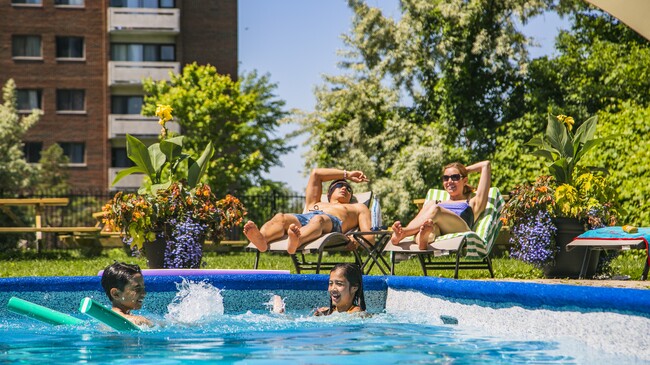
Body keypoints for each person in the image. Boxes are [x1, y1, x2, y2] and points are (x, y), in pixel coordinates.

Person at [243, 168, 373, 254]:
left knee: (318, 219)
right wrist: (348, 175)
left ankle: (296, 240)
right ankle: (262, 240)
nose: (344, 188)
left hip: (331, 223)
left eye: (348, 188)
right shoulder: (315, 202)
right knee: (280, 217)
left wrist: (357, 240)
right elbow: (316, 173)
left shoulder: (358, 207)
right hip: (305, 219)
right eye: (339, 185)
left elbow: (370, 237)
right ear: (329, 193)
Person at [390, 160, 491, 250]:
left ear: (465, 181)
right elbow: (418, 219)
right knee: (429, 226)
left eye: (455, 177)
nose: (449, 181)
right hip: (439, 227)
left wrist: (464, 171)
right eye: (446, 178)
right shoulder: (435, 202)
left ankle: (404, 232)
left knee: (436, 209)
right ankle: (423, 241)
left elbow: (485, 165)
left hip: (460, 228)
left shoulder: (473, 201)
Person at [100, 261, 152, 327]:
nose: (144, 293)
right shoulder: (136, 321)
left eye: (143, 288)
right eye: (137, 289)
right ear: (116, 294)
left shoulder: (107, 320)